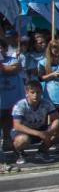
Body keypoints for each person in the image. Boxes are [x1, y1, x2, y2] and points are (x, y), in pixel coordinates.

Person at [10, 80, 59, 165]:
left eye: (38, 92)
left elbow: (57, 119)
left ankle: (42, 151)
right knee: (22, 140)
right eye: (32, 92)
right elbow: (17, 125)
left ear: (41, 92)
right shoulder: (20, 105)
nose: (35, 95)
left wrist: (50, 131)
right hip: (24, 131)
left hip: (40, 128)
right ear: (27, 92)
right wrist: (38, 133)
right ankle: (20, 153)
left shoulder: (46, 103)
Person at [1, 29, 25, 161]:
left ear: (5, 49)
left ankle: (15, 150)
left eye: (1, 48)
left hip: (12, 100)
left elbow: (13, 69)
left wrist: (2, 66)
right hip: (1, 101)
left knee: (10, 127)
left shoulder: (13, 60)